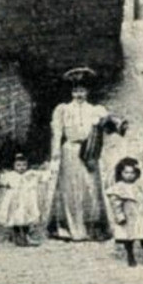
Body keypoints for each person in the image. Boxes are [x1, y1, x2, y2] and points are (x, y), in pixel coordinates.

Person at [47, 66, 109, 241]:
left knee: (90, 186)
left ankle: (92, 227)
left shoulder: (96, 109)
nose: (79, 95)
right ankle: (70, 227)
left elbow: (109, 128)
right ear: (71, 92)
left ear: (88, 91)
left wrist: (104, 122)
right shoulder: (63, 110)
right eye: (75, 91)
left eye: (82, 91)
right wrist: (55, 155)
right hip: (70, 151)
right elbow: (57, 133)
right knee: (71, 188)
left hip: (89, 151)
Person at [105, 158, 143, 266]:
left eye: (132, 173)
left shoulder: (137, 186)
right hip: (129, 217)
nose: (129, 175)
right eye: (126, 172)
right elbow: (116, 204)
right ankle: (130, 256)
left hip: (141, 216)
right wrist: (119, 216)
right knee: (129, 238)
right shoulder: (118, 188)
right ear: (120, 173)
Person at [0, 154, 47, 247]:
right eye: (18, 165)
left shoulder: (30, 174)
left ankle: (25, 236)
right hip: (15, 202)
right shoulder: (10, 175)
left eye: (24, 165)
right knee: (15, 219)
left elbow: (43, 176)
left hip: (27, 201)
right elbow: (1, 181)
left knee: (26, 219)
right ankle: (17, 236)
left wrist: (44, 168)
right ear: (13, 166)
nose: (21, 168)